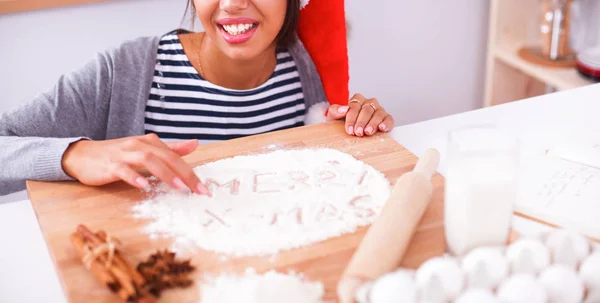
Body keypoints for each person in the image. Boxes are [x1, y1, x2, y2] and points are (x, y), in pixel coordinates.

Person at [0, 0, 395, 197]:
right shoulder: (123, 72)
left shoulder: (309, 69)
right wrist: (73, 155)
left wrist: (357, 130)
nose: (232, 3)